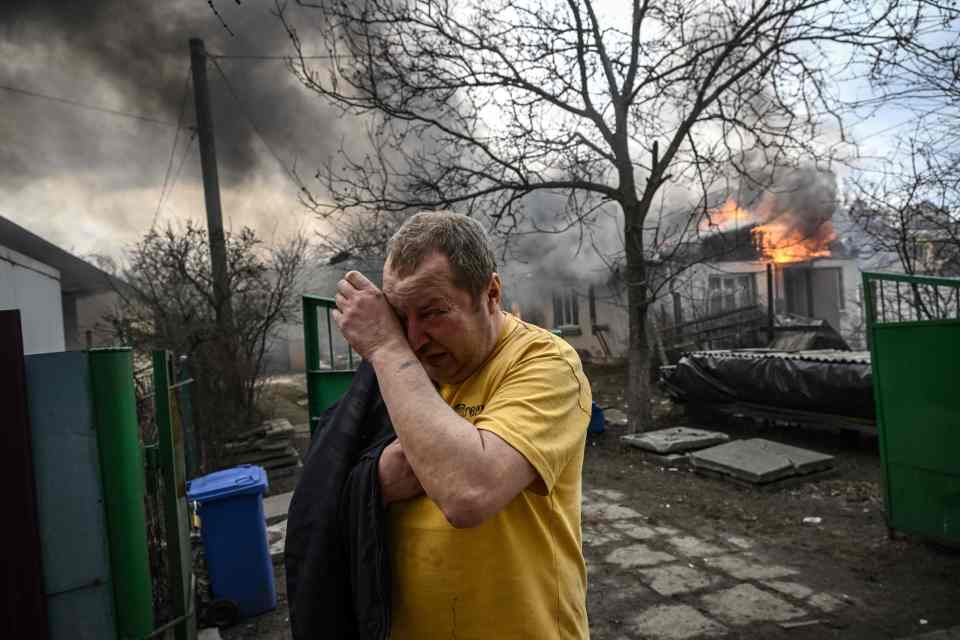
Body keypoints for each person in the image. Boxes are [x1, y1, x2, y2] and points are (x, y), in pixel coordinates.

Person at [333, 211, 591, 639]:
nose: (414, 339)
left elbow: (469, 491)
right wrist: (375, 479)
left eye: (433, 313)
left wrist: (383, 345)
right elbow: (330, 482)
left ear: (490, 293)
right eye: (399, 317)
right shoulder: (403, 369)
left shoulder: (546, 363)